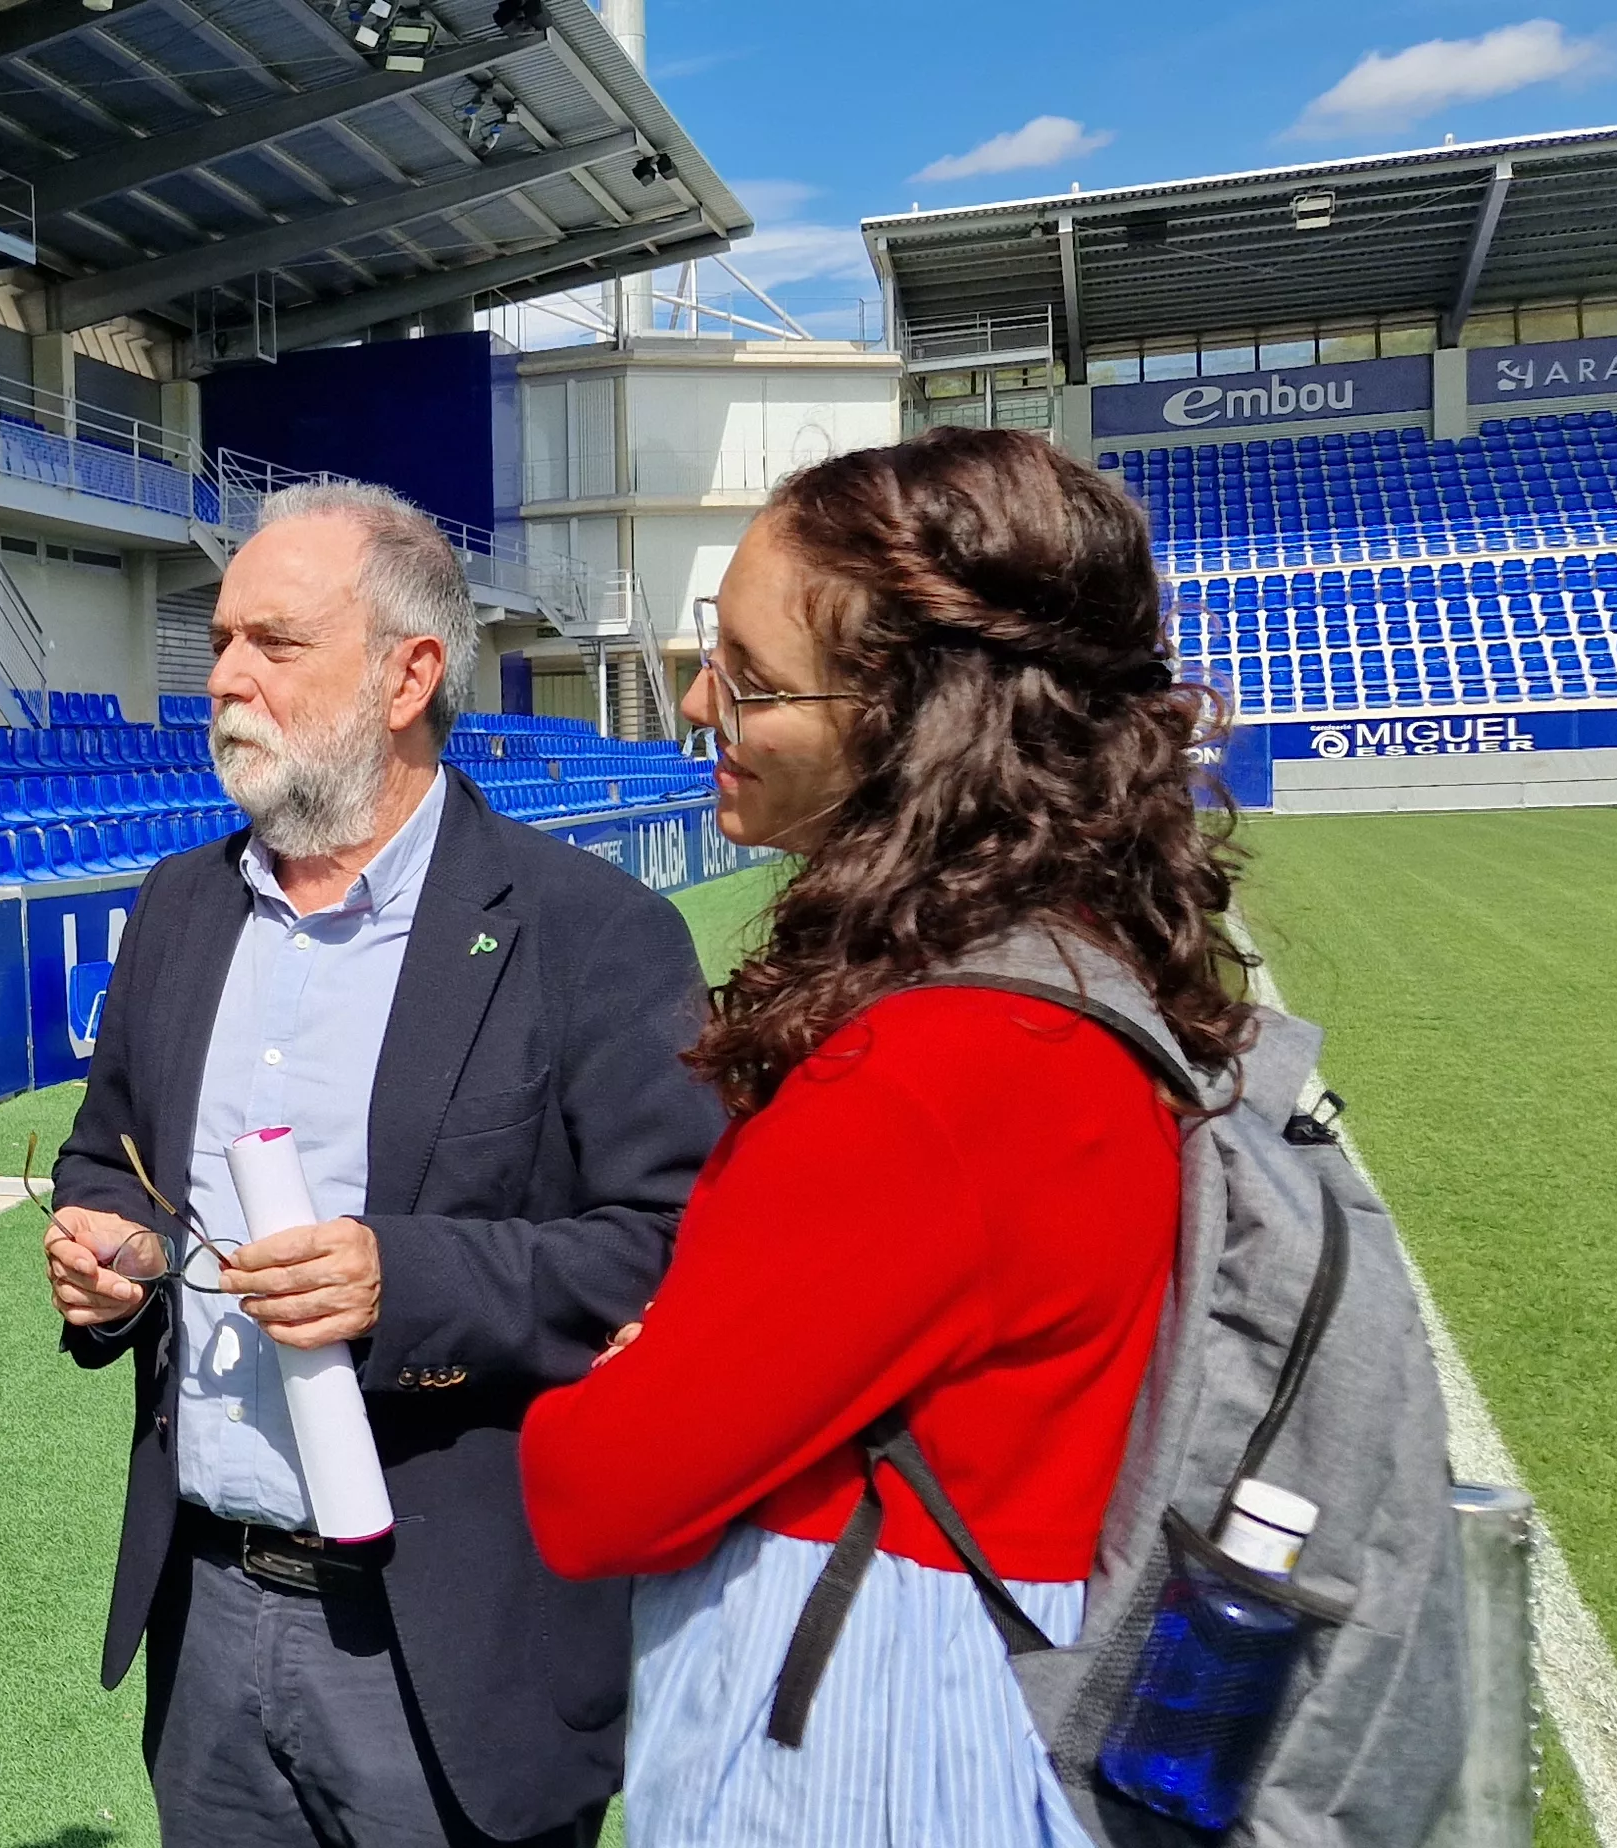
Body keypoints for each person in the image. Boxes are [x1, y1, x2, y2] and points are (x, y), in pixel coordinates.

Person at [516, 427, 1248, 1848]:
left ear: (913, 718)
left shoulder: (940, 1067)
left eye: (744, 671)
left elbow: (594, 1489)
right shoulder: (1061, 977)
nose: (694, 698)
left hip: (872, 1744)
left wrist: (632, 1372)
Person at [41, 481, 727, 1848]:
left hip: (459, 1642)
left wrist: (398, 1280)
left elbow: (678, 1247)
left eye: (274, 645)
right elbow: (104, 1151)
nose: (224, 678)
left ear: (411, 672)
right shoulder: (180, 907)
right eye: (221, 640)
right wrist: (105, 1243)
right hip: (211, 1618)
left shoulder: (591, 931)